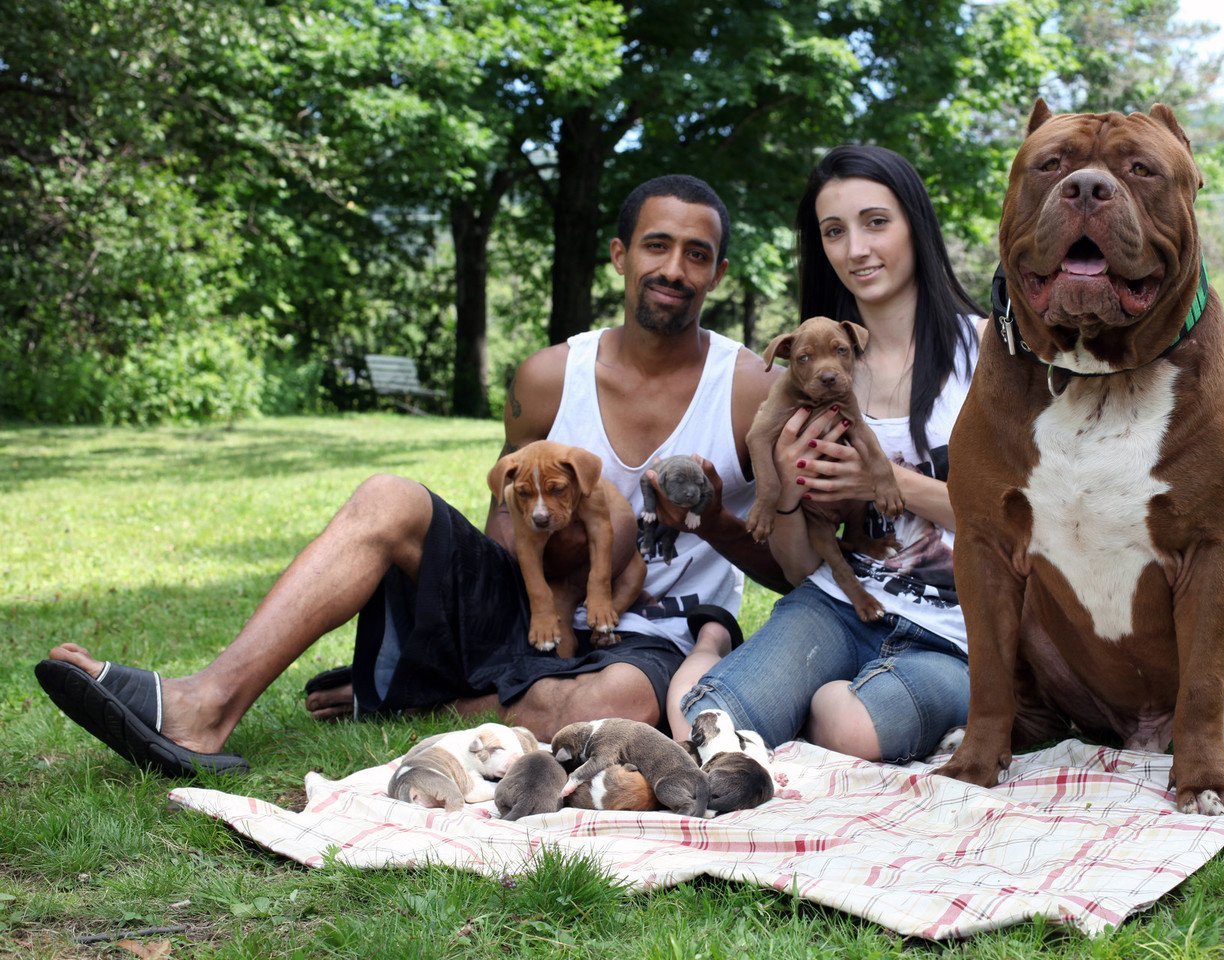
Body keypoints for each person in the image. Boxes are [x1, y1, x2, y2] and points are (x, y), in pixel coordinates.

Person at [34, 174, 785, 776]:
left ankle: (411, 698)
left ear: (718, 273)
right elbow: (502, 522)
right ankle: (203, 704)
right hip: (533, 607)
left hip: (651, 636)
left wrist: (713, 521)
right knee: (386, 496)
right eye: (657, 246)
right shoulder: (549, 377)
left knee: (621, 703)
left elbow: (790, 569)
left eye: (696, 254)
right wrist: (528, 588)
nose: (674, 269)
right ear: (620, 255)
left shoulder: (749, 388)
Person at [675, 145, 983, 763]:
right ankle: (717, 648)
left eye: (876, 222)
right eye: (834, 231)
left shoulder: (986, 352)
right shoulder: (807, 376)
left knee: (854, 727)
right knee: (702, 729)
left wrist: (881, 481)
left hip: (956, 632)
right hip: (832, 605)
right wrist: (788, 493)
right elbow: (797, 568)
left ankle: (815, 703)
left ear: (916, 224)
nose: (856, 249)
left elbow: (1031, 524)